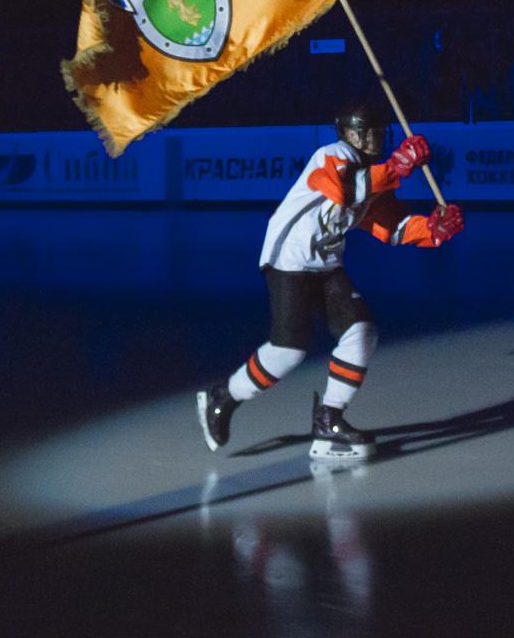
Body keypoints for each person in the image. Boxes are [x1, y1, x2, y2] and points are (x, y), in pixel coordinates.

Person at [196, 97, 465, 460]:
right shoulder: (331, 155)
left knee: (361, 332)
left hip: (325, 261)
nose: (376, 137)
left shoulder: (376, 176)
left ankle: (328, 419)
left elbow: (391, 227)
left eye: (380, 132)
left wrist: (432, 230)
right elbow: (344, 189)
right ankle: (223, 397)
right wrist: (397, 167)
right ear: (351, 133)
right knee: (288, 351)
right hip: (289, 257)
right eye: (369, 132)